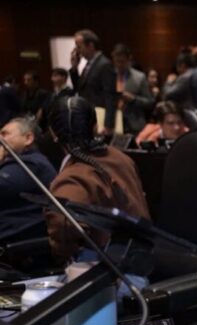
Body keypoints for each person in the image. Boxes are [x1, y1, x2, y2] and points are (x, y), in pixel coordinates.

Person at [45, 96, 150, 263]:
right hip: (144, 259)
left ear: (53, 133)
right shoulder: (122, 158)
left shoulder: (70, 178)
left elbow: (63, 232)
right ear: (94, 127)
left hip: (104, 268)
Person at [0, 117, 56, 241]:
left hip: (17, 242)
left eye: (4, 134)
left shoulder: (32, 165)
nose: (0, 138)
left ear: (28, 138)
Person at [69, 29, 118, 135]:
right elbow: (79, 88)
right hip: (89, 116)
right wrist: (74, 68)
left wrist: (108, 125)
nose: (77, 50)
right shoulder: (88, 64)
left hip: (99, 118)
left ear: (90, 46)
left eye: (79, 46)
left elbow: (110, 96)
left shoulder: (104, 64)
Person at [112, 43, 154, 135]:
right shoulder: (109, 76)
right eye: (117, 61)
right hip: (113, 124)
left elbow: (150, 103)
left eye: (122, 62)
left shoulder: (139, 77)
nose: (119, 65)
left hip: (134, 126)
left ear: (128, 60)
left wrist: (133, 99)